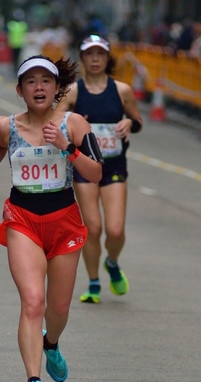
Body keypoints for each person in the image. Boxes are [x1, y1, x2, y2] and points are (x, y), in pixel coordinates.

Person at [0, 55, 103, 382]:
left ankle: (51, 343)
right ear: (20, 90)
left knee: (58, 309)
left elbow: (96, 173)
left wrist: (67, 147)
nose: (38, 87)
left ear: (56, 88)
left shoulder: (73, 123)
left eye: (45, 81)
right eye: (30, 82)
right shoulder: (6, 125)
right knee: (33, 301)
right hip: (23, 219)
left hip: (64, 221)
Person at [58, 34, 143, 304]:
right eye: (89, 54)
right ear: (82, 58)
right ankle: (93, 283)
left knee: (115, 230)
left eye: (100, 54)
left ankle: (112, 263)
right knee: (93, 228)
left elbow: (137, 120)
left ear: (108, 58)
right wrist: (74, 124)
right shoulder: (73, 92)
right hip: (84, 166)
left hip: (114, 165)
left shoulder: (121, 90)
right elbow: (56, 122)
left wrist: (129, 123)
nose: (95, 59)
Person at [6, 10, 29, 76]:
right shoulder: (23, 25)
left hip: (12, 43)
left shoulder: (11, 25)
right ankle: (17, 68)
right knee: (18, 57)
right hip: (20, 44)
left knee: (13, 57)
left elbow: (7, 33)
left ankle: (14, 68)